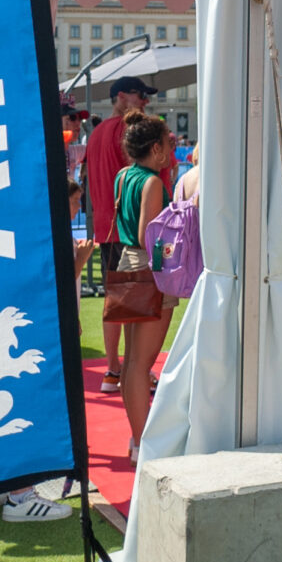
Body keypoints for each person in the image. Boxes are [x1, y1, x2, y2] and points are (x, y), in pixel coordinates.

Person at [112, 116, 180, 459]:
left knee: (131, 363)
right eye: (168, 142)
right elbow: (146, 236)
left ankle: (138, 438)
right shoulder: (152, 182)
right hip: (149, 272)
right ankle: (143, 441)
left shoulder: (123, 176)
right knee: (141, 364)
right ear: (155, 148)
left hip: (128, 266)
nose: (172, 148)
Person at [84, 79, 155, 393]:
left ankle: (117, 369)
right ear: (121, 96)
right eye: (141, 96)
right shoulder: (125, 133)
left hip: (107, 227)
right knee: (130, 301)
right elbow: (140, 176)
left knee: (117, 298)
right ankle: (124, 370)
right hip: (126, 228)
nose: (145, 102)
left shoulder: (98, 132)